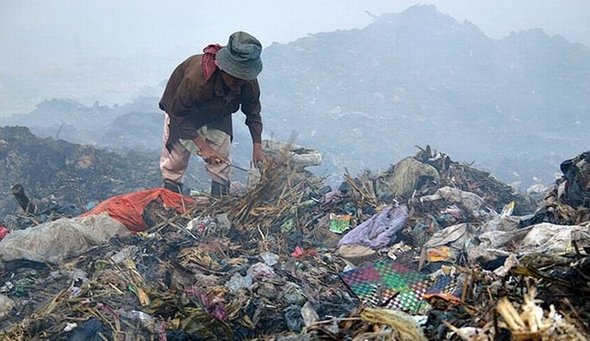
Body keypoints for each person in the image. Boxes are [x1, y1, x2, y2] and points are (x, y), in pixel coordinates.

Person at [158, 31, 265, 196]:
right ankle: (172, 202)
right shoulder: (196, 80)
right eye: (235, 77)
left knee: (221, 163)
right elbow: (178, 114)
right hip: (183, 113)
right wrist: (204, 147)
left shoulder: (247, 82)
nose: (239, 83)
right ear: (222, 68)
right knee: (175, 162)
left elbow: (253, 113)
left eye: (243, 78)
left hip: (218, 114)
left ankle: (219, 204)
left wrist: (257, 146)